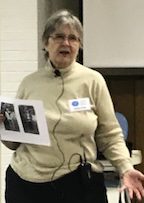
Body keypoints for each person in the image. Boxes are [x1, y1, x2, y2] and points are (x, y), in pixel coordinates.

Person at [0, 9, 144, 203]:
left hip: (77, 183)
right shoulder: (30, 83)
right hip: (26, 183)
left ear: (79, 45)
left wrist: (125, 167)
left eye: (73, 38)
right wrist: (4, 128)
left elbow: (110, 135)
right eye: (59, 36)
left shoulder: (93, 81)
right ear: (46, 43)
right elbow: (16, 142)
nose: (66, 43)